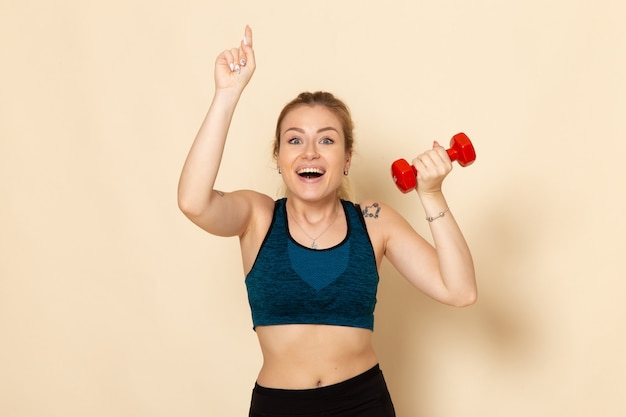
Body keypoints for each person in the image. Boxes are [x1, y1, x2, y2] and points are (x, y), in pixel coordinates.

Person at [178, 26, 477, 417]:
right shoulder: (258, 216)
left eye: (327, 140)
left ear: (348, 158)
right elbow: (193, 202)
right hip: (278, 408)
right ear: (279, 156)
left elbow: (460, 290)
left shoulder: (373, 221)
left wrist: (431, 194)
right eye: (295, 139)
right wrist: (227, 94)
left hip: (363, 404)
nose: (310, 152)